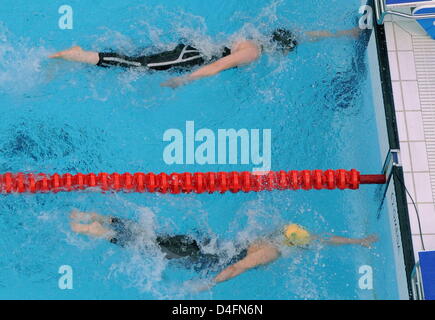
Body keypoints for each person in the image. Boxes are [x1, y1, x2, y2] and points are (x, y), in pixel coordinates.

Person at [69, 210, 378, 289]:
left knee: (154, 236)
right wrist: (209, 284)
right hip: (202, 257)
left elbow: (322, 238)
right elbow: (236, 268)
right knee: (149, 249)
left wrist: (356, 241)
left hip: (205, 242)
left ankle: (101, 217)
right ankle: (93, 230)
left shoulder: (282, 233)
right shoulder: (272, 252)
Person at [49, 27, 360, 88]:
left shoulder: (256, 35)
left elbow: (307, 33)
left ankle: (86, 53)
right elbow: (215, 68)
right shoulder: (252, 52)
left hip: (192, 46)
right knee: (139, 65)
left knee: (142, 57)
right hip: (191, 59)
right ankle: (82, 55)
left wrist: (345, 34)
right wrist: (185, 79)